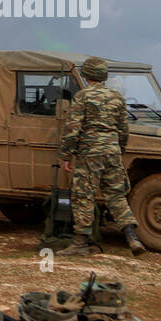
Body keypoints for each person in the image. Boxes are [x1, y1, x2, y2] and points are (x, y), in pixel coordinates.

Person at [58, 56, 146, 256]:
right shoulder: (117, 97)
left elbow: (73, 129)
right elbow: (124, 130)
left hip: (90, 154)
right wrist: (119, 149)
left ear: (87, 75)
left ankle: (80, 243)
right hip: (112, 151)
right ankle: (132, 237)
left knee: (83, 195)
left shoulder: (83, 96)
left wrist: (65, 155)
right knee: (116, 195)